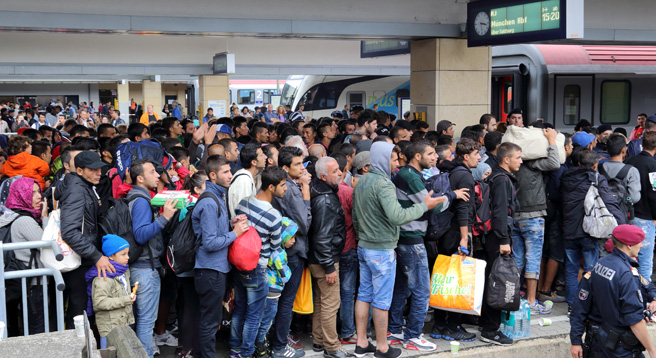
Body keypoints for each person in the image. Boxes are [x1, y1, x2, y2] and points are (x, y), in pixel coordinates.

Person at [352, 141, 444, 358]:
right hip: (381, 250)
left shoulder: (363, 181)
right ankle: (383, 347)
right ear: (383, 159)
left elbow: (356, 217)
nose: (396, 164)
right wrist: (424, 206)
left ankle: (362, 343)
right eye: (393, 159)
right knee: (382, 300)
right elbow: (397, 216)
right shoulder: (383, 184)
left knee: (364, 295)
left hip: (364, 247)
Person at [390, 140, 466, 351]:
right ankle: (413, 336)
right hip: (412, 240)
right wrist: (453, 194)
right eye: (431, 154)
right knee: (422, 291)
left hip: (405, 239)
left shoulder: (407, 174)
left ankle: (394, 331)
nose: (435, 158)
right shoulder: (410, 176)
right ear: (417, 156)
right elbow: (430, 206)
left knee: (402, 289)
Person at [570, 225, 656, 358]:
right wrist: (652, 350)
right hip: (619, 349)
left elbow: (579, 308)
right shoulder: (626, 274)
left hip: (597, 344)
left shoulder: (600, 264)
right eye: (638, 242)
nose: (641, 245)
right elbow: (635, 321)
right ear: (628, 245)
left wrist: (575, 340)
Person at [194, 155, 249, 358]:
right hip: (210, 270)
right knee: (210, 322)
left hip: (215, 269)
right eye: (225, 172)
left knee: (210, 319)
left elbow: (214, 232)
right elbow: (209, 243)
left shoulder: (218, 196)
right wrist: (235, 233)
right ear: (213, 175)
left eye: (230, 171)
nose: (230, 175)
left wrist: (231, 222)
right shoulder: (210, 202)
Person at [232, 166, 287, 358]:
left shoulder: (243, 203)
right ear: (271, 187)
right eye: (282, 185)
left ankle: (235, 349)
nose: (285, 188)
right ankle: (247, 353)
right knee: (253, 316)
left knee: (239, 309)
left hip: (238, 265)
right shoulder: (273, 215)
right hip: (257, 269)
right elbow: (276, 245)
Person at [561, 148, 625, 309]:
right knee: (591, 268)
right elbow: (608, 201)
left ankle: (571, 304)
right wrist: (621, 222)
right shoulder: (596, 178)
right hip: (588, 230)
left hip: (568, 229)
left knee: (571, 268)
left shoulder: (565, 177)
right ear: (594, 165)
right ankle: (587, 303)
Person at [430, 138, 480, 342]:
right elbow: (463, 209)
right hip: (456, 232)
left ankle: (439, 324)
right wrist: (464, 239)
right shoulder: (465, 176)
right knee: (459, 280)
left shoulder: (450, 170)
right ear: (466, 156)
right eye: (477, 154)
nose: (479, 157)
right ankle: (452, 326)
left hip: (443, 233)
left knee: (444, 278)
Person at [126, 160, 177, 357]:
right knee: (146, 322)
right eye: (153, 172)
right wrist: (164, 218)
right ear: (140, 177)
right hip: (145, 269)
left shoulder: (139, 197)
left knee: (142, 320)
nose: (158, 175)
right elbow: (140, 234)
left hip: (143, 267)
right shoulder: (140, 201)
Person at [57, 151, 113, 328]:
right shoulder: (77, 190)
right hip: (78, 261)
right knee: (78, 313)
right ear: (79, 171)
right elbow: (69, 232)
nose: (99, 173)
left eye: (100, 169)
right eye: (93, 170)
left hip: (81, 258)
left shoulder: (83, 186)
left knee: (80, 310)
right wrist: (96, 256)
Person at [512, 128, 560, 314]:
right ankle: (531, 302)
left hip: (515, 216)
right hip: (533, 217)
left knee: (516, 260)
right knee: (533, 259)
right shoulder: (532, 163)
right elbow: (555, 162)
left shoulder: (511, 164)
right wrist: (552, 140)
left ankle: (514, 300)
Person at [479, 143, 522, 346]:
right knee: (499, 281)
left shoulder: (497, 177)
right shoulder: (502, 179)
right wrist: (504, 240)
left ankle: (486, 323)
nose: (521, 161)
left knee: (493, 279)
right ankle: (490, 330)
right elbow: (500, 213)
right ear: (507, 159)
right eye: (518, 157)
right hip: (498, 238)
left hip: (494, 236)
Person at [271, 146, 312, 358]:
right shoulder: (292, 188)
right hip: (293, 252)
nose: (302, 167)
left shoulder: (281, 185)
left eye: (302, 162)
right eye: (297, 164)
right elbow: (304, 224)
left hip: (285, 250)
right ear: (285, 168)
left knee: (280, 300)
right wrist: (305, 192)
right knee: (286, 301)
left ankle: (277, 341)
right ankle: (279, 345)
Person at [308, 157, 350, 358]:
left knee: (322, 301)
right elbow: (322, 237)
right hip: (325, 259)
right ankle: (332, 347)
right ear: (323, 176)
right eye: (335, 171)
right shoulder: (325, 199)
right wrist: (329, 267)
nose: (340, 173)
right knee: (331, 303)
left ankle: (318, 340)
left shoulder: (320, 191)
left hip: (319, 258)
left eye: (339, 170)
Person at [0, 177, 49, 335]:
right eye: (32, 192)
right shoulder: (25, 220)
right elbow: (47, 244)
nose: (38, 196)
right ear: (21, 195)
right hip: (33, 283)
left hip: (18, 281)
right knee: (38, 329)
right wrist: (46, 217)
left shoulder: (9, 216)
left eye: (38, 191)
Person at [255, 218, 297, 358]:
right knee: (267, 321)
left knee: (262, 318)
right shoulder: (280, 254)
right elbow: (285, 277)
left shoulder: (269, 248)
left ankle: (261, 343)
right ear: (283, 236)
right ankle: (260, 346)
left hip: (265, 288)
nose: (294, 241)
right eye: (291, 237)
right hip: (273, 292)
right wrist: (290, 271)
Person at [86, 235, 135, 349]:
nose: (127, 257)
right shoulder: (103, 277)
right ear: (111, 256)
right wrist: (126, 300)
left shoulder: (124, 270)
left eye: (127, 253)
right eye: (123, 254)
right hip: (110, 330)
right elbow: (99, 303)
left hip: (124, 324)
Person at [625, 131, 656, 281]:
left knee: (628, 259)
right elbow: (653, 194)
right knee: (645, 261)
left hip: (627, 216)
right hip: (646, 218)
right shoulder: (654, 165)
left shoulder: (630, 161)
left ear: (642, 144)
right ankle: (645, 298)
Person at [228, 143, 266, 218]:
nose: (266, 157)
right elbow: (242, 211)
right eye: (261, 155)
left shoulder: (246, 177)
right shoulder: (244, 181)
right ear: (254, 162)